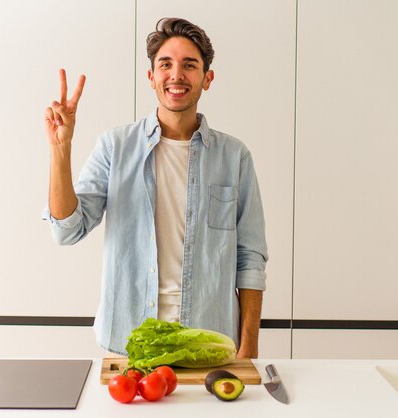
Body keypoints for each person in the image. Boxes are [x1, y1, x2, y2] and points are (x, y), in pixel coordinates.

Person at [42, 17, 268, 358]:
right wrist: (61, 148)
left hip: (207, 343)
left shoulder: (235, 156)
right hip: (129, 344)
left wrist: (248, 348)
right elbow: (67, 230)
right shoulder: (115, 146)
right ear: (151, 78)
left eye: (189, 65)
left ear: (207, 79)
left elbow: (250, 259)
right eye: (166, 64)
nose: (176, 75)